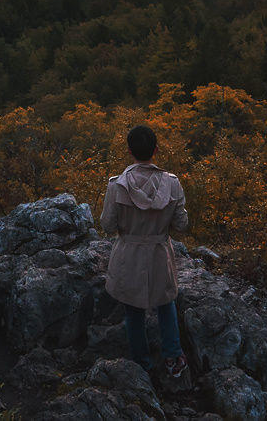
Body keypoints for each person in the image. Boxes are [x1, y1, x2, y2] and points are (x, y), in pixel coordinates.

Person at [100, 124, 189, 378]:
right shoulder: (172, 184)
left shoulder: (117, 186)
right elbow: (182, 225)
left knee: (133, 309)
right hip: (160, 252)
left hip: (129, 253)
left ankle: (142, 364)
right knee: (166, 302)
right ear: (156, 150)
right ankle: (173, 357)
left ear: (130, 151)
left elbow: (107, 225)